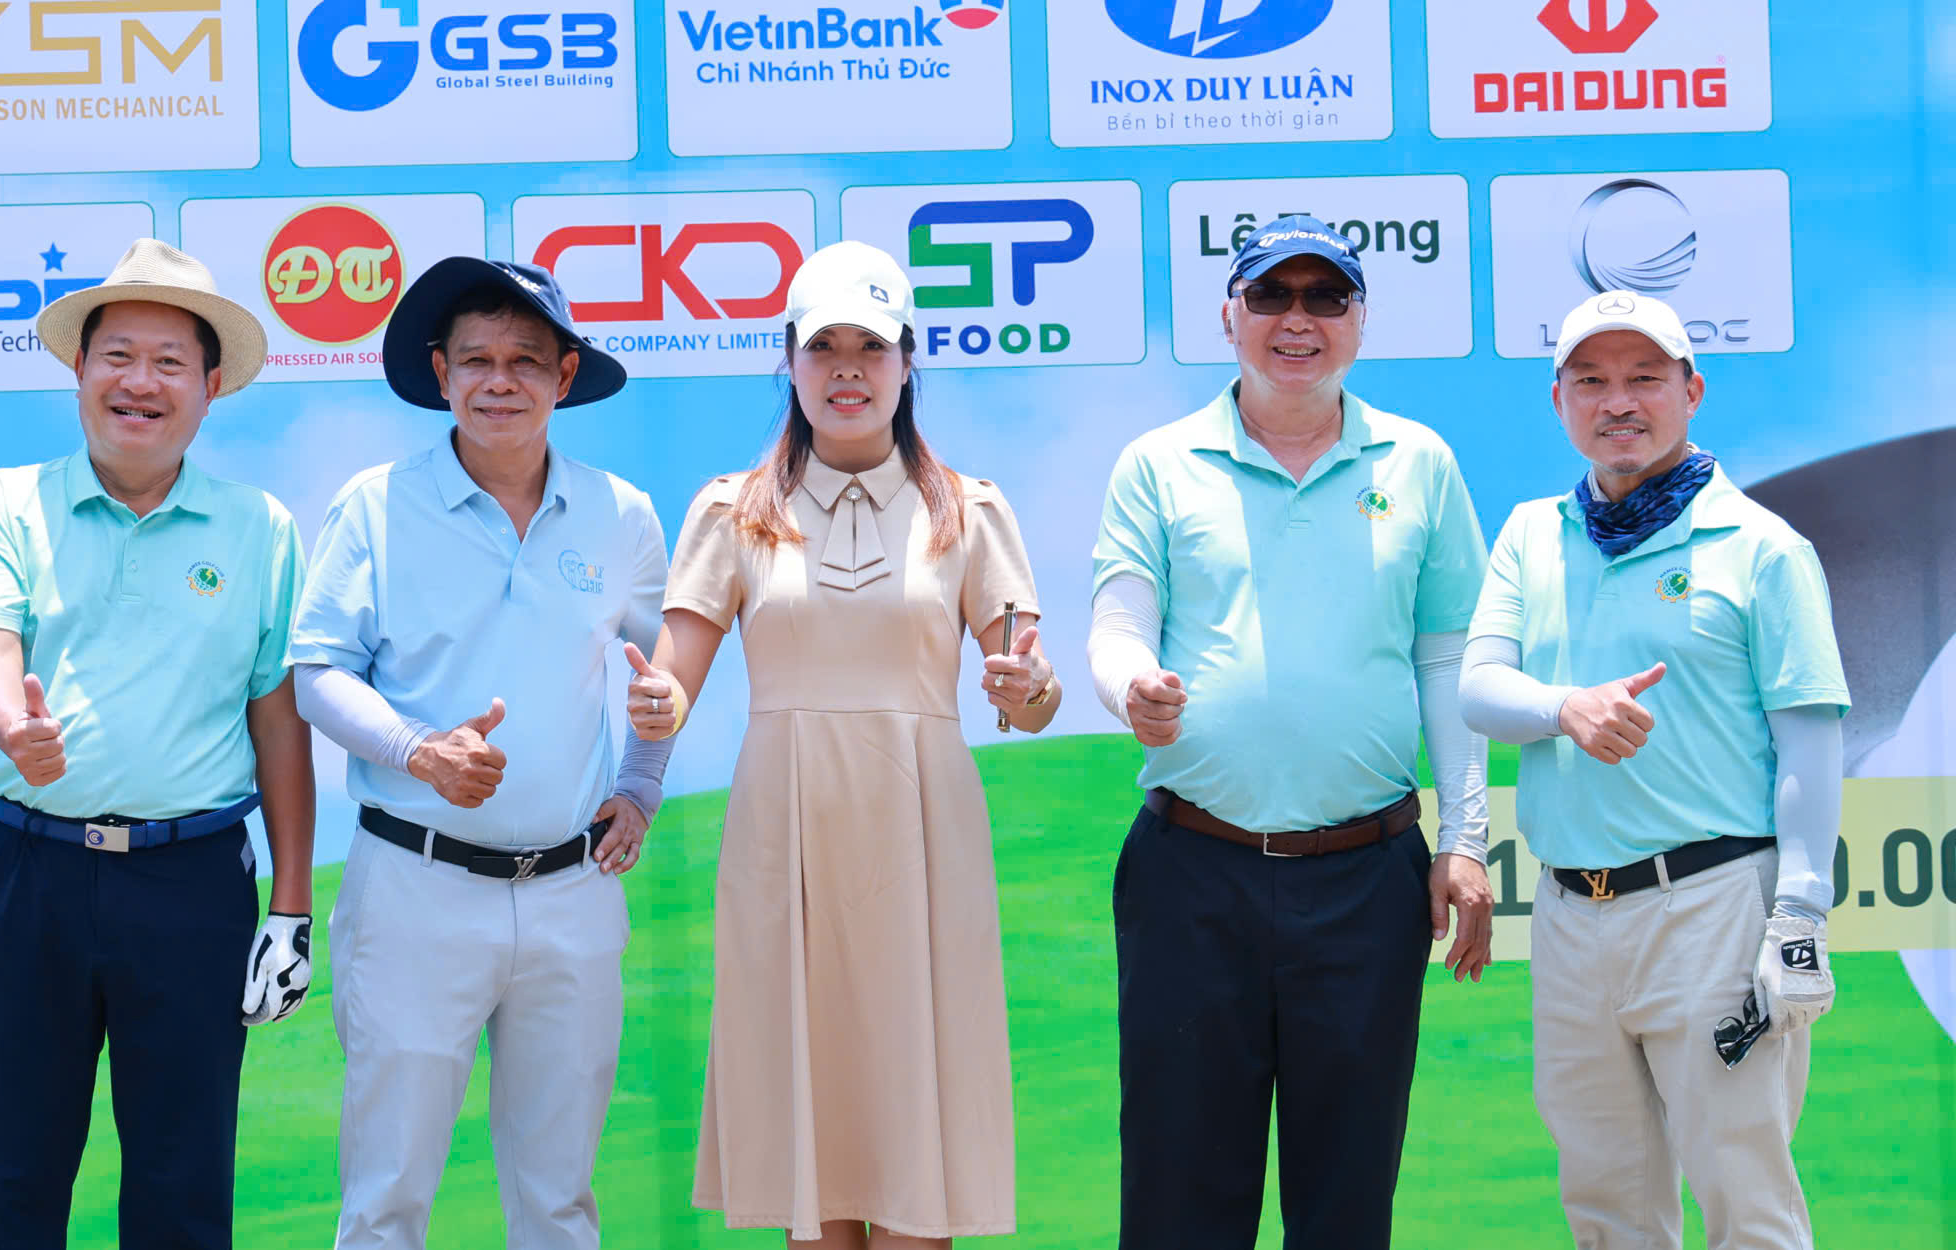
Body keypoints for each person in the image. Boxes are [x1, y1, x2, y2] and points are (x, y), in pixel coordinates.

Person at [625, 240, 1056, 1249]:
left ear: (909, 361)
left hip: (922, 835)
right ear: (789, 359)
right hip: (786, 839)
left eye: (872, 345)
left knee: (917, 1143)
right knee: (806, 1147)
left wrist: (1030, 688)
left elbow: (1029, 692)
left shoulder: (971, 508)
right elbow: (673, 682)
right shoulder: (731, 509)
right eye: (824, 346)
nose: (848, 369)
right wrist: (654, 703)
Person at [1086, 214, 1494, 1250]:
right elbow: (1120, 621)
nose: (1297, 319)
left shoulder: (1420, 461)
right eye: (1271, 294)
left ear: (1360, 318)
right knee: (1179, 1205)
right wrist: (1131, 686)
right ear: (1229, 316)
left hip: (1367, 878)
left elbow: (1448, 659)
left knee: (1345, 1204)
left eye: (1325, 296)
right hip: (1192, 871)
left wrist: (1465, 839)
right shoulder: (1158, 462)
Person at [0, 237, 315, 1250]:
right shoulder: (3, 502)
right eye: (118, 355)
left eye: (169, 362)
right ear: (79, 367)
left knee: (181, 1185)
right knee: (9, 1179)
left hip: (193, 881)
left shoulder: (260, 526)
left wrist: (290, 907)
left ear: (211, 386)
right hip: (28, 871)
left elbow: (277, 719)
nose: (139, 382)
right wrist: (13, 726)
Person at [289, 256, 671, 1250]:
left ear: (565, 375)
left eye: (525, 360)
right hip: (414, 887)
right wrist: (420, 750)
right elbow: (317, 672)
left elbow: (661, 672)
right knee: (385, 1198)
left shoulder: (623, 514)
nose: (500, 381)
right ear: (441, 372)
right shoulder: (374, 504)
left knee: (559, 1200)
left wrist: (640, 783)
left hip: (573, 891)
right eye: (477, 361)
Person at [1461, 289, 1848, 1248]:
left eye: (1644, 378)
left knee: (1746, 1201)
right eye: (1592, 381)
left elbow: (1808, 739)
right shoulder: (1531, 533)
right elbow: (1480, 688)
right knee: (1606, 1206)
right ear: (1560, 400)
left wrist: (1800, 915)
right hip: (1569, 913)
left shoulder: (1762, 548)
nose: (1618, 402)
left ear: (1691, 391)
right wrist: (1567, 708)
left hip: (1713, 908)